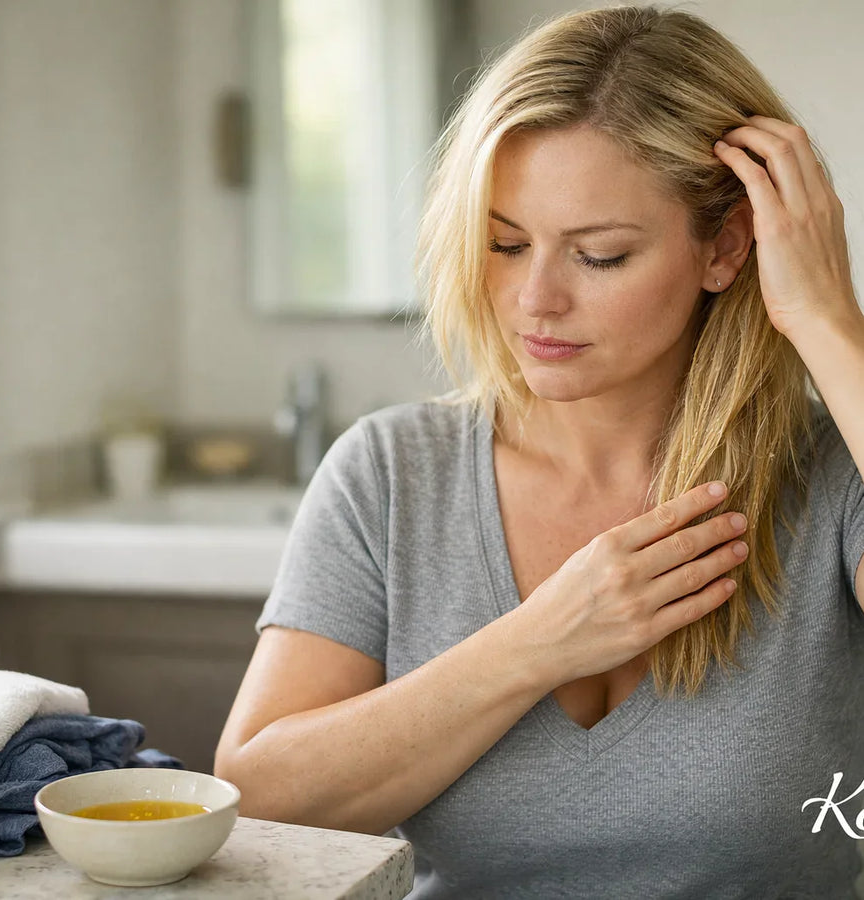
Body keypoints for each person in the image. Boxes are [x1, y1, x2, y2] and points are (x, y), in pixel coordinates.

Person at [215, 5, 864, 897]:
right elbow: (255, 801)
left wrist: (827, 321)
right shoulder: (391, 474)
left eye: (599, 256)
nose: (534, 300)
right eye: (504, 243)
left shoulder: (835, 478)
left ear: (725, 248)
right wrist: (538, 643)